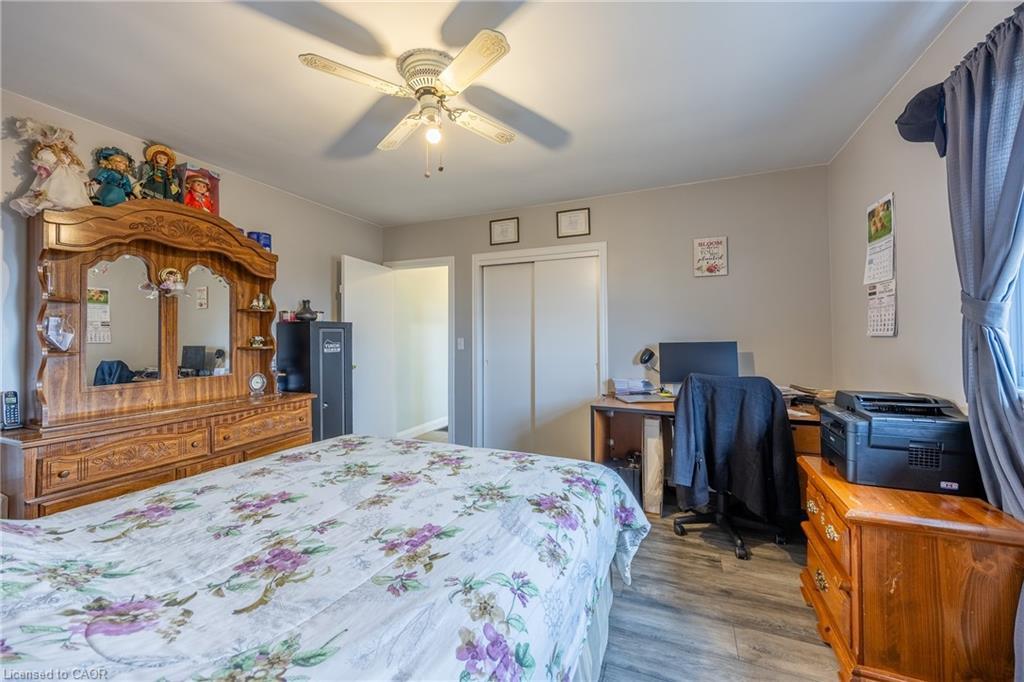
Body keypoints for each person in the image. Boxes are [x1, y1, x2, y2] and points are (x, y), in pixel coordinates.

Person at [10, 118, 92, 216]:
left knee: (71, 194)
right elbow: (44, 165)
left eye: (64, 142)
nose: (63, 144)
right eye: (60, 141)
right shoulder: (49, 154)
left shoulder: (67, 155)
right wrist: (45, 170)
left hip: (71, 179)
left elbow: (75, 170)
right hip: (57, 177)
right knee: (57, 193)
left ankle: (69, 205)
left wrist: (84, 180)